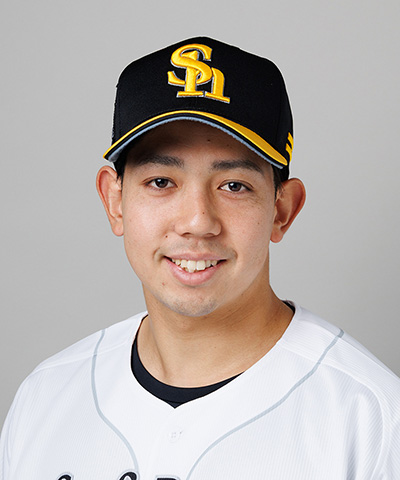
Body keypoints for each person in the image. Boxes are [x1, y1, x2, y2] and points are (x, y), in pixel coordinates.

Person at [1, 36, 399, 480]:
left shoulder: (372, 418)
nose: (197, 221)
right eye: (160, 182)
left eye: (234, 186)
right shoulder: (45, 397)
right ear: (114, 201)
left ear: (282, 210)